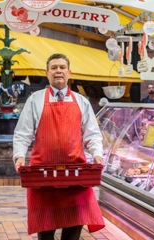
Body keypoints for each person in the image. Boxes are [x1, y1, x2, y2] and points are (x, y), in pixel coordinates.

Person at [13, 53, 105, 240]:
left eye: (62, 67)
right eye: (54, 68)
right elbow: (22, 133)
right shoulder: (35, 100)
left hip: (76, 175)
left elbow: (92, 134)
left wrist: (97, 155)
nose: (58, 71)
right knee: (45, 233)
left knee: (73, 233)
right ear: (47, 73)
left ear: (69, 72)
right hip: (42, 176)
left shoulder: (81, 101)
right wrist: (19, 156)